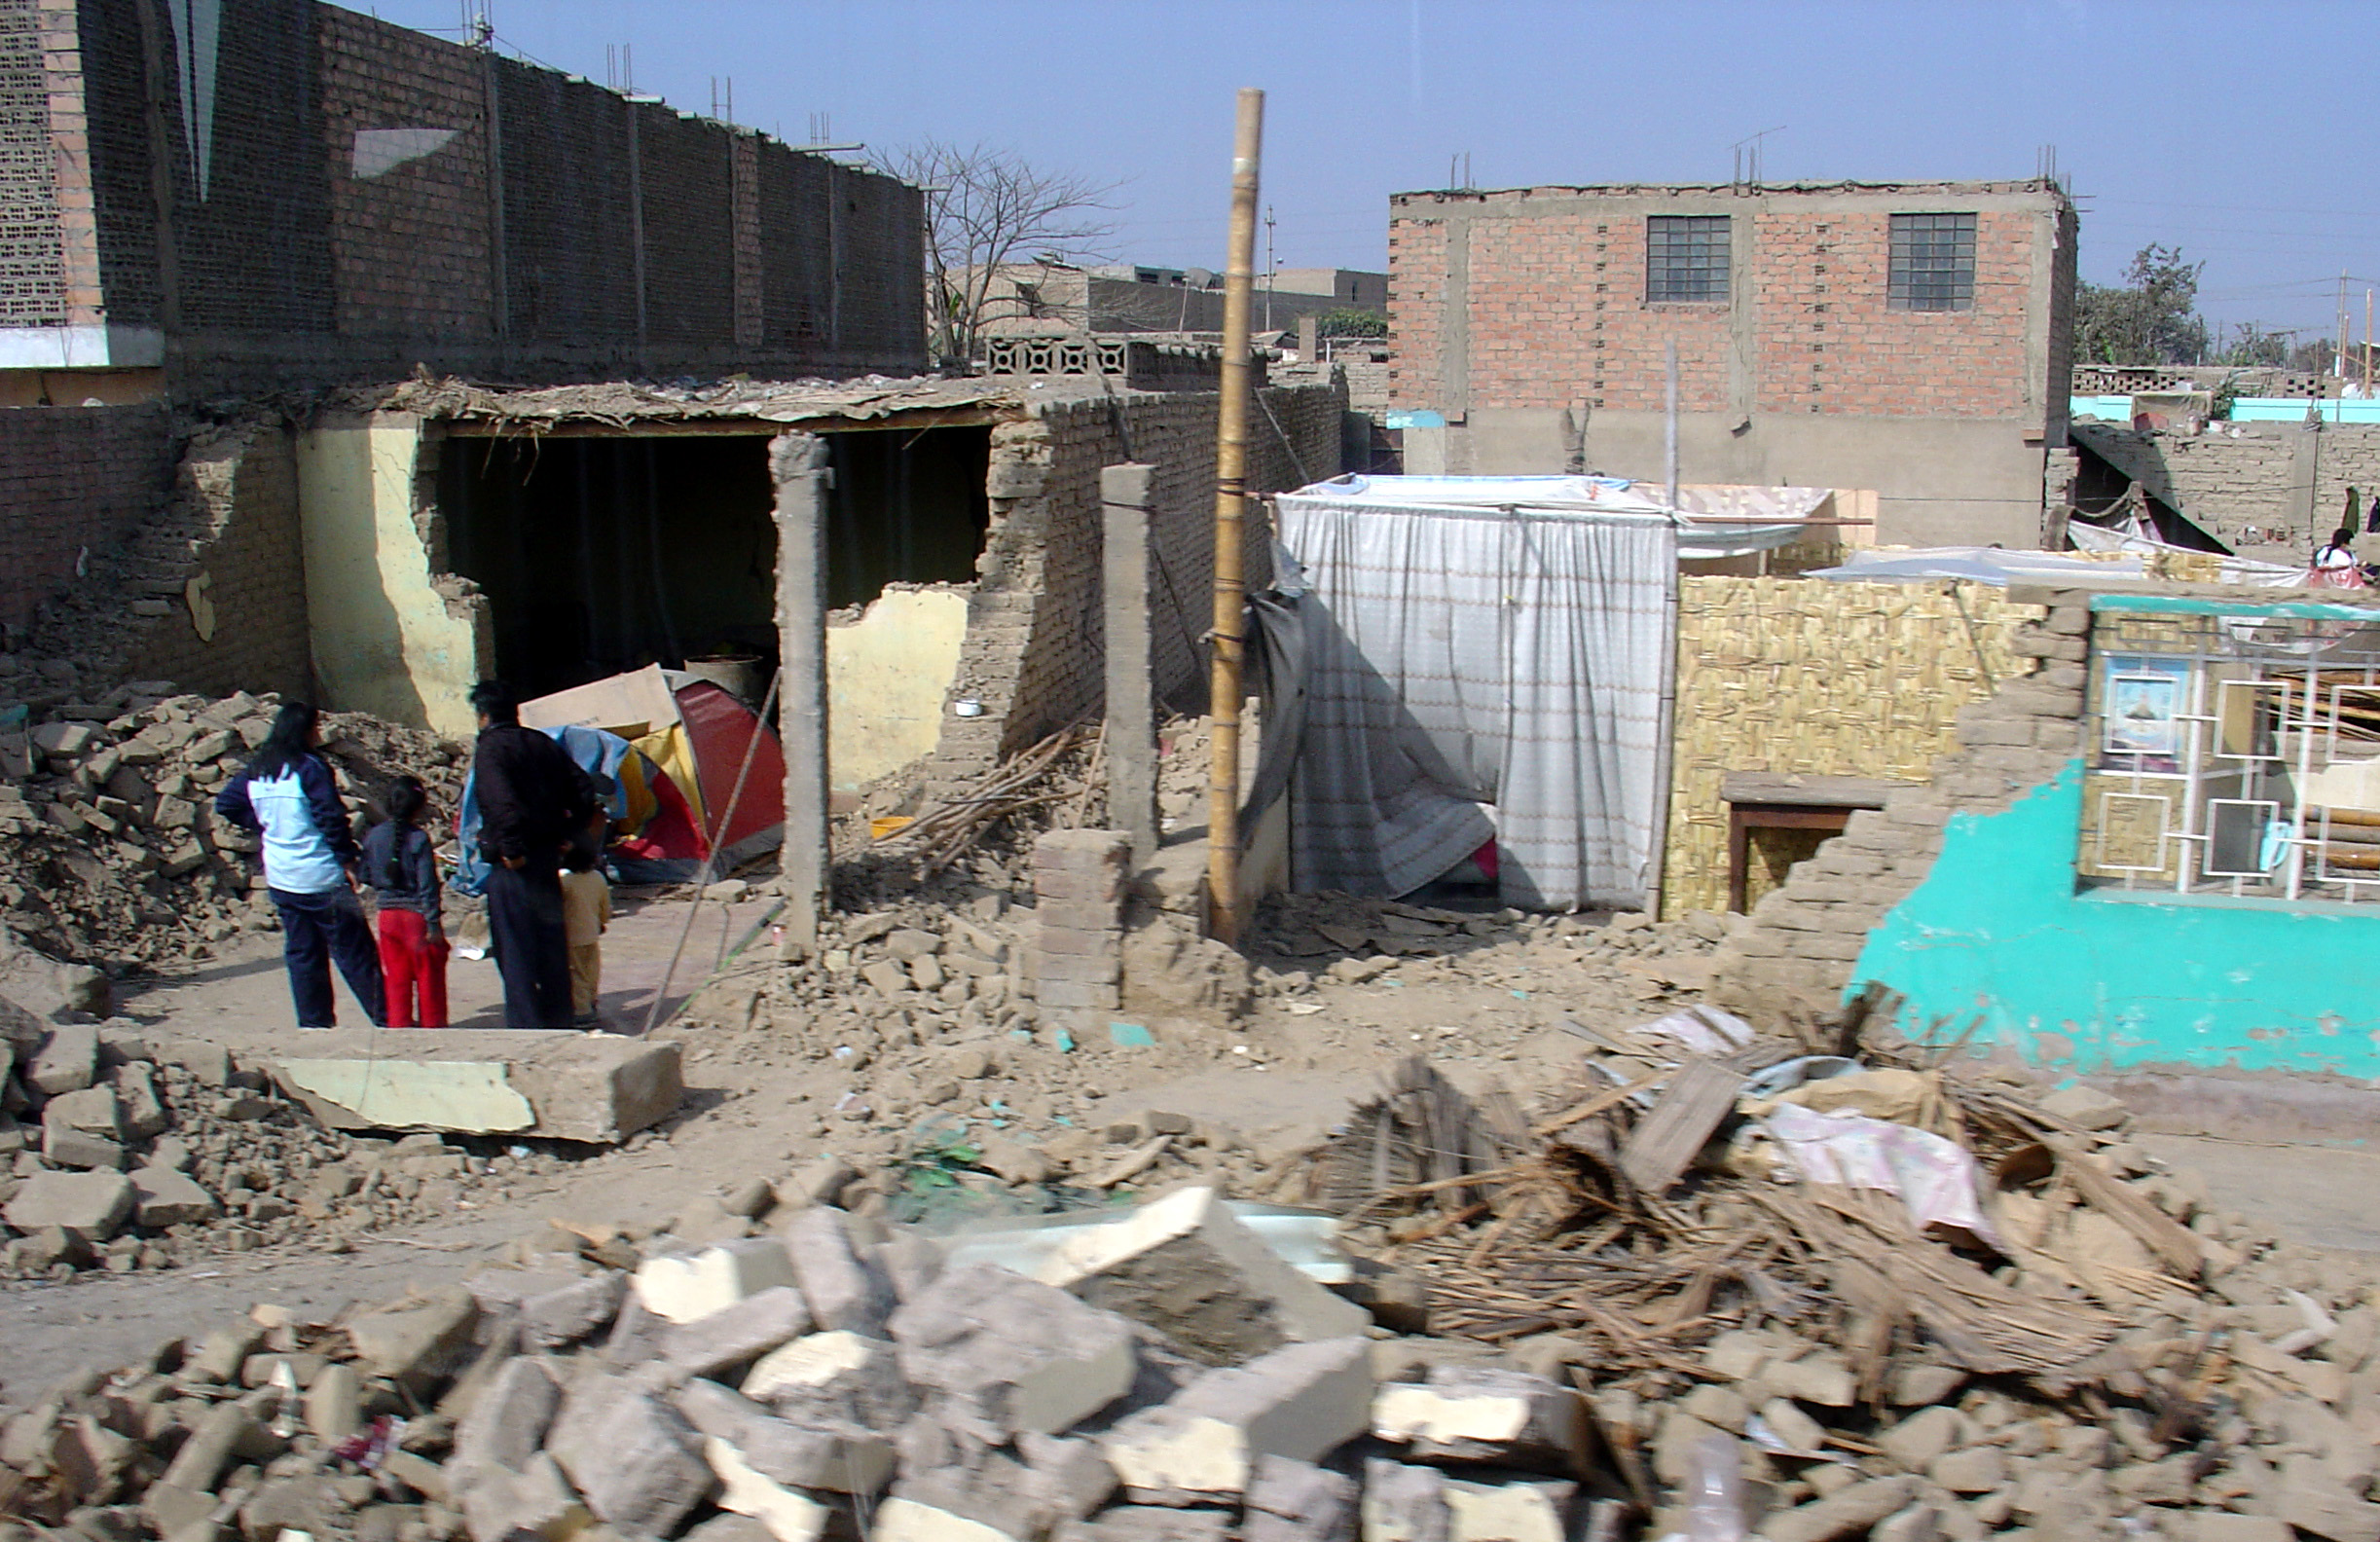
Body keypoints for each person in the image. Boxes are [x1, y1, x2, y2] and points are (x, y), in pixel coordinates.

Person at [214, 703, 385, 1029]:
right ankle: (388, 1020)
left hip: (282, 879)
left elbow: (226, 804)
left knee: (304, 957)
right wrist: (347, 858)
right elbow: (330, 818)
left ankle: (314, 1025)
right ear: (305, 731)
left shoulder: (258, 770)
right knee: (356, 955)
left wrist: (265, 825)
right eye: (315, 729)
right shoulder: (310, 768)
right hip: (322, 878)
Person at [468, 680, 597, 1028]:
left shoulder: (491, 749)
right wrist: (569, 834)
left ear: (483, 716)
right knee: (551, 947)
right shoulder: (541, 743)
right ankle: (559, 1020)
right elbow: (584, 790)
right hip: (546, 859)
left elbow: (500, 803)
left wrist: (511, 849)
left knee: (516, 953)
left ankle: (527, 1029)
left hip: (516, 864)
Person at [362, 774, 448, 1029]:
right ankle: (433, 1026)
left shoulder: (373, 836)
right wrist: (433, 923)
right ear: (418, 806)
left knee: (396, 977)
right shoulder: (418, 839)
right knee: (428, 976)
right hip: (416, 918)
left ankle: (399, 1026)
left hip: (387, 916)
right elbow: (427, 885)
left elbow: (365, 874)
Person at [560, 838, 611, 1029]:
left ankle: (582, 1012)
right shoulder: (597, 877)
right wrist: (602, 922)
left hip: (572, 936)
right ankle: (591, 1002)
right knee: (591, 972)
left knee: (576, 975)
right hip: (592, 933)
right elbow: (605, 906)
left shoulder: (564, 880)